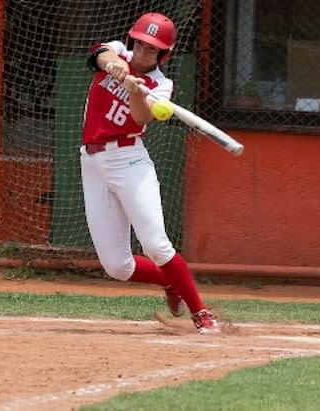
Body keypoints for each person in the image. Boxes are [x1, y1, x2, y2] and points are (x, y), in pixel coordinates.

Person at [80, 12, 219, 334]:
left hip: (128, 161)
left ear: (162, 54)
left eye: (152, 48)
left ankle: (200, 312)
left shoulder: (161, 85)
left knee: (155, 245)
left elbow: (141, 118)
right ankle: (169, 282)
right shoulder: (119, 51)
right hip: (91, 162)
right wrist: (120, 70)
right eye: (141, 44)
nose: (144, 52)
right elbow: (103, 56)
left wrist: (136, 91)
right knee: (116, 266)